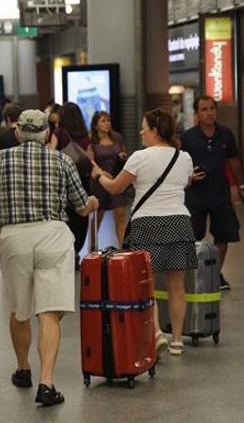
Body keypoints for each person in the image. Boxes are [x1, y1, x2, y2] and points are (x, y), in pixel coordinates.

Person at [0, 110, 98, 408]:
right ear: (48, 134)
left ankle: (23, 368)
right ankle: (46, 383)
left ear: (17, 133)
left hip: (14, 238)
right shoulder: (62, 160)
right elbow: (80, 207)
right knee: (49, 312)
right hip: (53, 234)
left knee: (19, 309)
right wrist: (92, 202)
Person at [93, 108, 196, 357]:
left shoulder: (139, 157)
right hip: (179, 222)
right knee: (177, 286)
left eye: (144, 127)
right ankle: (178, 341)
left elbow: (117, 188)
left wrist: (99, 178)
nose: (141, 132)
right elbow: (187, 181)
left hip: (147, 223)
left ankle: (158, 333)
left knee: (145, 284)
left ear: (155, 131)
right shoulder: (184, 157)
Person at [180, 96, 244, 290]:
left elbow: (233, 160)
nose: (209, 113)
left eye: (212, 108)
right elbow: (180, 163)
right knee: (193, 236)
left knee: (223, 235)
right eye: (204, 109)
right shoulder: (188, 137)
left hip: (220, 194)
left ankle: (216, 275)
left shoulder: (225, 134)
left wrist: (239, 186)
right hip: (195, 195)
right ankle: (195, 275)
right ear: (197, 114)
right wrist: (188, 178)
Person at [50, 102, 91, 264]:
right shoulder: (85, 136)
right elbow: (89, 161)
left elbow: (52, 156)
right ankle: (76, 250)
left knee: (65, 218)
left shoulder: (59, 133)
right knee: (81, 218)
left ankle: (67, 251)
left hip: (63, 183)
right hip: (82, 182)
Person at [87, 111, 129, 246]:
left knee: (121, 216)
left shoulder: (117, 137)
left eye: (108, 120)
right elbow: (90, 161)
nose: (107, 124)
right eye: (103, 121)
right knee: (97, 218)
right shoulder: (92, 140)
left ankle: (123, 250)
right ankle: (93, 248)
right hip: (99, 182)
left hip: (117, 179)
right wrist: (102, 174)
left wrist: (122, 156)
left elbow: (124, 152)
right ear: (96, 125)